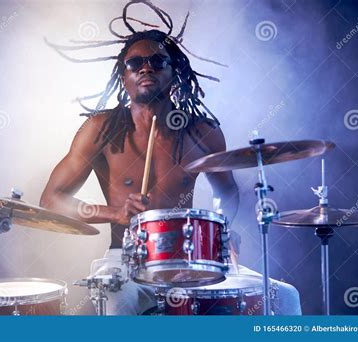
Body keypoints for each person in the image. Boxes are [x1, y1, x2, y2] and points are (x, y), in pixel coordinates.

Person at [40, 13, 301, 316]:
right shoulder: (101, 128)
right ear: (123, 77)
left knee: (284, 297)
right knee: (117, 300)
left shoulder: (202, 131)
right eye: (135, 64)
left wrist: (221, 231)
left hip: (192, 262)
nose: (146, 67)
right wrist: (114, 213)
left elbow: (225, 192)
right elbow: (51, 200)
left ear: (174, 72)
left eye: (158, 61)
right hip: (125, 259)